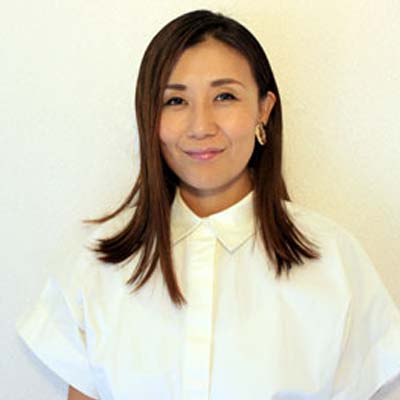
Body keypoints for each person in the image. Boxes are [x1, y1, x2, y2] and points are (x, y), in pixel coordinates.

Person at [17, 9, 400, 400]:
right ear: (150, 115)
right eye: (175, 100)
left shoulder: (333, 260)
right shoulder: (99, 265)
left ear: (264, 108)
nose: (201, 126)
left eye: (224, 96)